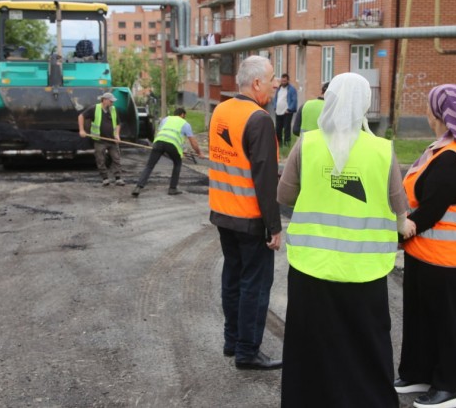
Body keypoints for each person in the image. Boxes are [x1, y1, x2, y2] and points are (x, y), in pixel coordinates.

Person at [278, 73, 411, 407]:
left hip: (312, 269)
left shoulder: (306, 144)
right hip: (364, 271)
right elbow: (399, 207)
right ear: (364, 104)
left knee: (311, 343)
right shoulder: (382, 151)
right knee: (367, 344)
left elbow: (285, 195)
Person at [395, 84, 456, 408]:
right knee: (422, 319)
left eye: (429, 106)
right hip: (428, 256)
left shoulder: (452, 159)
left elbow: (431, 211)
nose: (425, 111)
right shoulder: (442, 150)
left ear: (439, 113)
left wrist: (396, 235)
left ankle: (448, 386)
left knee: (445, 324)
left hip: (446, 261)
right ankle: (418, 372)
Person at [208, 55, 283, 370]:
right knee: (255, 283)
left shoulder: (220, 111)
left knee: (233, 277)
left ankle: (232, 340)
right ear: (256, 84)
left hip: (223, 213)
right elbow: (265, 178)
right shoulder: (259, 118)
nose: (275, 84)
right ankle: (248, 351)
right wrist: (274, 227)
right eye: (271, 79)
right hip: (250, 219)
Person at [131, 107, 204, 197]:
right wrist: (199, 153)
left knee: (149, 166)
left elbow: (160, 132)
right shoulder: (185, 124)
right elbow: (193, 142)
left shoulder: (166, 119)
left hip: (158, 143)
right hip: (172, 145)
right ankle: (172, 188)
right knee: (177, 163)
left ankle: (138, 187)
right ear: (182, 115)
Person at [78, 92, 124, 186]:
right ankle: (105, 178)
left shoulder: (113, 109)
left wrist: (117, 135)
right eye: (111, 101)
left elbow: (118, 123)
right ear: (104, 100)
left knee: (116, 159)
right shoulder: (94, 108)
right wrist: (82, 130)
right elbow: (81, 116)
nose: (112, 103)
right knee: (100, 159)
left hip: (112, 140)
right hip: (99, 140)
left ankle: (118, 178)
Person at [272, 74, 297, 147]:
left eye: (285, 81)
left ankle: (287, 143)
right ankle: (279, 143)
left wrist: (289, 109)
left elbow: (294, 100)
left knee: (287, 128)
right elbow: (275, 98)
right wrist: (275, 107)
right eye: (282, 80)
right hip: (278, 112)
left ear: (288, 81)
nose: (283, 82)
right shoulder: (278, 89)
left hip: (287, 112)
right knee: (278, 128)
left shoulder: (291, 89)